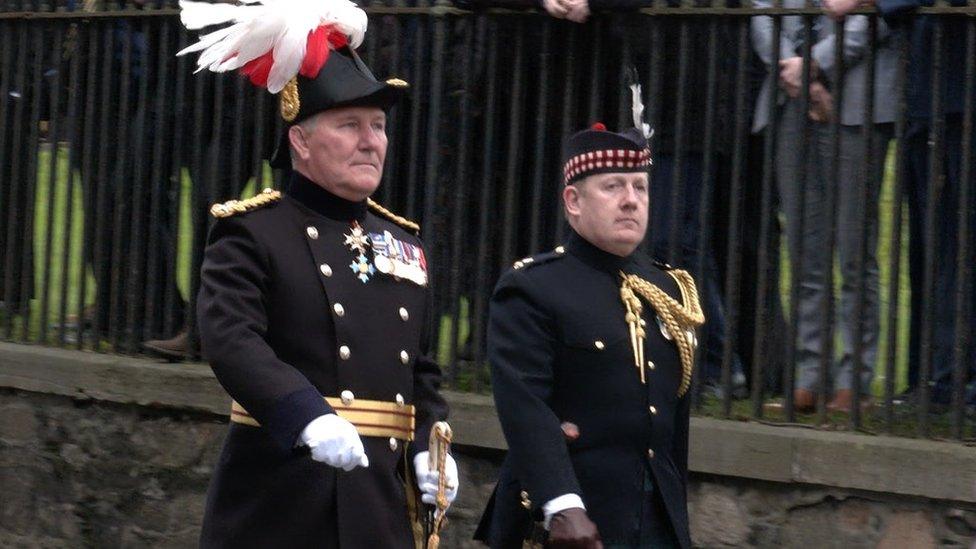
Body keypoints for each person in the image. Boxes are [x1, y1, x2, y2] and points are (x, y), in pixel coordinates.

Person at [183, 5, 459, 546]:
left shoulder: (404, 242)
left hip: (380, 509)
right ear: (301, 142)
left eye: (378, 126)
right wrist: (304, 414)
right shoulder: (255, 233)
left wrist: (431, 445)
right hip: (283, 501)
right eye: (349, 125)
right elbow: (231, 338)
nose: (371, 141)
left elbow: (420, 373)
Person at [475, 118, 704, 548]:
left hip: (653, 522)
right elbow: (526, 409)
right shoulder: (534, 287)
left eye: (640, 187)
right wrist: (563, 505)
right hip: (568, 524)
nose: (631, 201)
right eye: (613, 187)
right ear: (573, 201)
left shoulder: (670, 290)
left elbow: (673, 427)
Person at [824, 0, 975, 407]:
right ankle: (931, 375)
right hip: (929, 98)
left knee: (954, 245)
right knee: (930, 248)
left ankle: (950, 380)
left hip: (955, 96)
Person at [751, 0, 898, 412]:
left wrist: (815, 65)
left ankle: (856, 379)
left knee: (855, 251)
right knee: (804, 250)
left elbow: (878, 15)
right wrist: (794, 73)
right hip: (787, 100)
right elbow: (764, 12)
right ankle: (810, 377)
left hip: (858, 100)